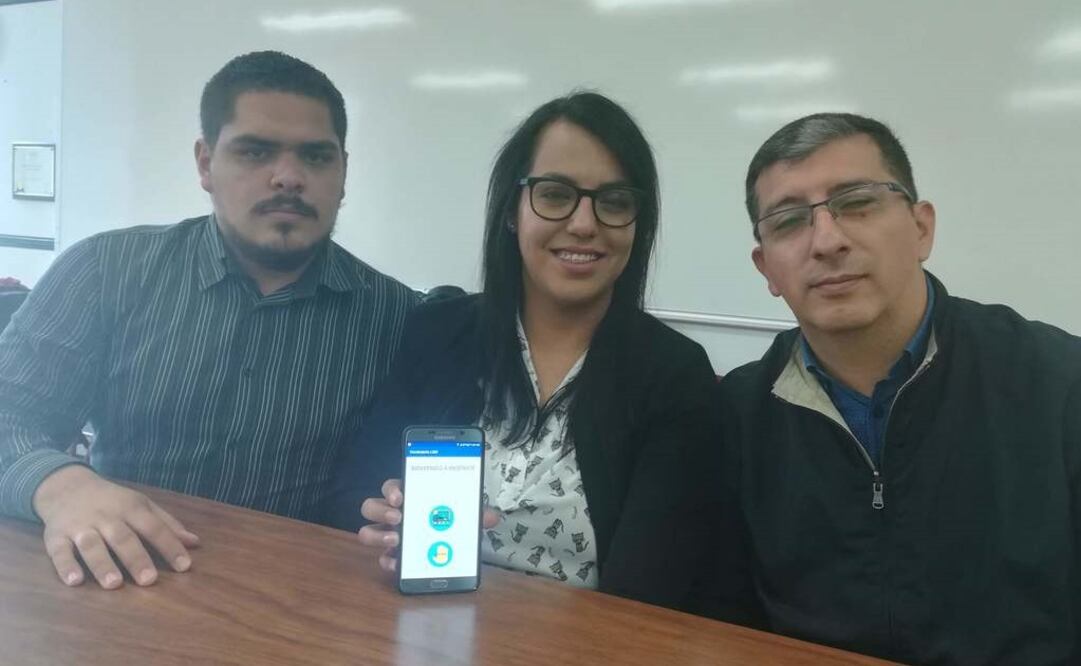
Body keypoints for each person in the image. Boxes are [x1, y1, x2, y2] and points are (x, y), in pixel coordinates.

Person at [0, 51, 417, 591]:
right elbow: (12, 413)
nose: (288, 177)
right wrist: (61, 485)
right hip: (118, 581)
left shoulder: (398, 317)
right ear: (205, 163)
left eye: (316, 157)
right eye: (255, 151)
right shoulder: (106, 270)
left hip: (293, 603)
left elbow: (388, 489)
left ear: (342, 173)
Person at [323, 92, 722, 612]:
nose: (584, 223)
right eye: (555, 194)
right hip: (414, 619)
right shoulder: (438, 332)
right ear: (512, 210)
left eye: (615, 201)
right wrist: (379, 516)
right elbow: (352, 491)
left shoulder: (675, 375)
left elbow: (652, 593)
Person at [717, 112, 1081, 663]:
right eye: (789, 221)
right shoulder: (737, 415)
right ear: (766, 267)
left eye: (856, 203)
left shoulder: (1058, 383)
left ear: (921, 228)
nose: (827, 240)